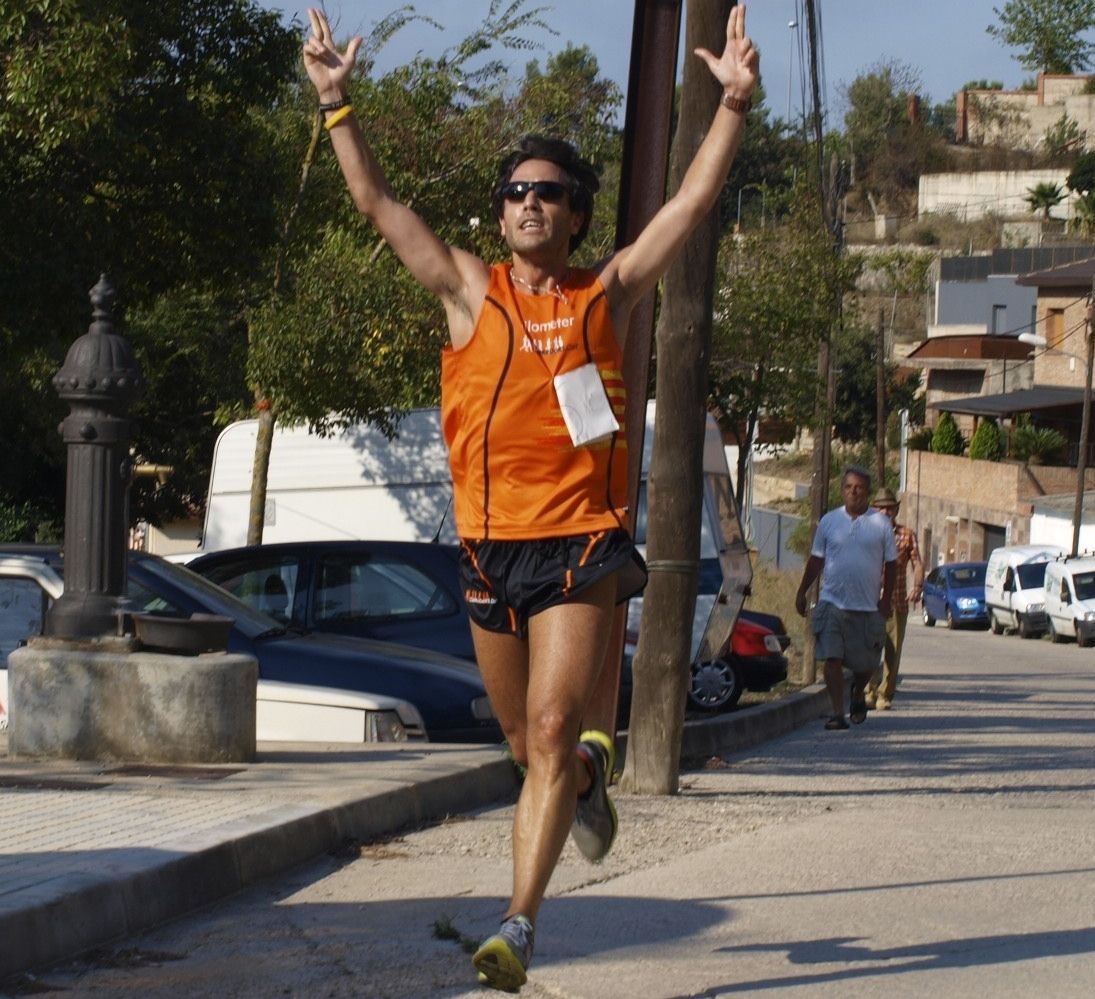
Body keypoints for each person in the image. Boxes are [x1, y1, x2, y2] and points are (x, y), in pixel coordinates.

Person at [300, 5, 759, 991]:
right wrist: (337, 104)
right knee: (524, 744)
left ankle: (517, 921)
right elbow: (377, 204)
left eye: (549, 193)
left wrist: (730, 105)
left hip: (581, 544)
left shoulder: (605, 293)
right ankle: (586, 780)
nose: (530, 205)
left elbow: (688, 205)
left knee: (552, 727)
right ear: (501, 213)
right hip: (487, 547)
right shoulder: (470, 292)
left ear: (577, 214)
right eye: (515, 193)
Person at [794, 467, 897, 730]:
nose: (853, 492)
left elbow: (891, 565)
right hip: (833, 603)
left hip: (867, 606)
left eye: (859, 487)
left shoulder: (881, 524)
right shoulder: (829, 522)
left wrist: (886, 599)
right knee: (832, 659)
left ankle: (857, 691)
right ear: (842, 490)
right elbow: (816, 559)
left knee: (867, 665)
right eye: (849, 487)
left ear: (867, 492)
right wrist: (802, 590)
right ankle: (838, 713)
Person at [866, 487, 923, 710]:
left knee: (893, 651)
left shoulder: (906, 535)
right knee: (868, 648)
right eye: (881, 508)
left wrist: (917, 586)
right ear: (873, 509)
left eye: (890, 508)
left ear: (896, 510)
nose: (886, 512)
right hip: (869, 602)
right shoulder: (864, 533)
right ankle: (867, 690)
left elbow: (917, 562)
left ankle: (884, 694)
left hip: (896, 602)